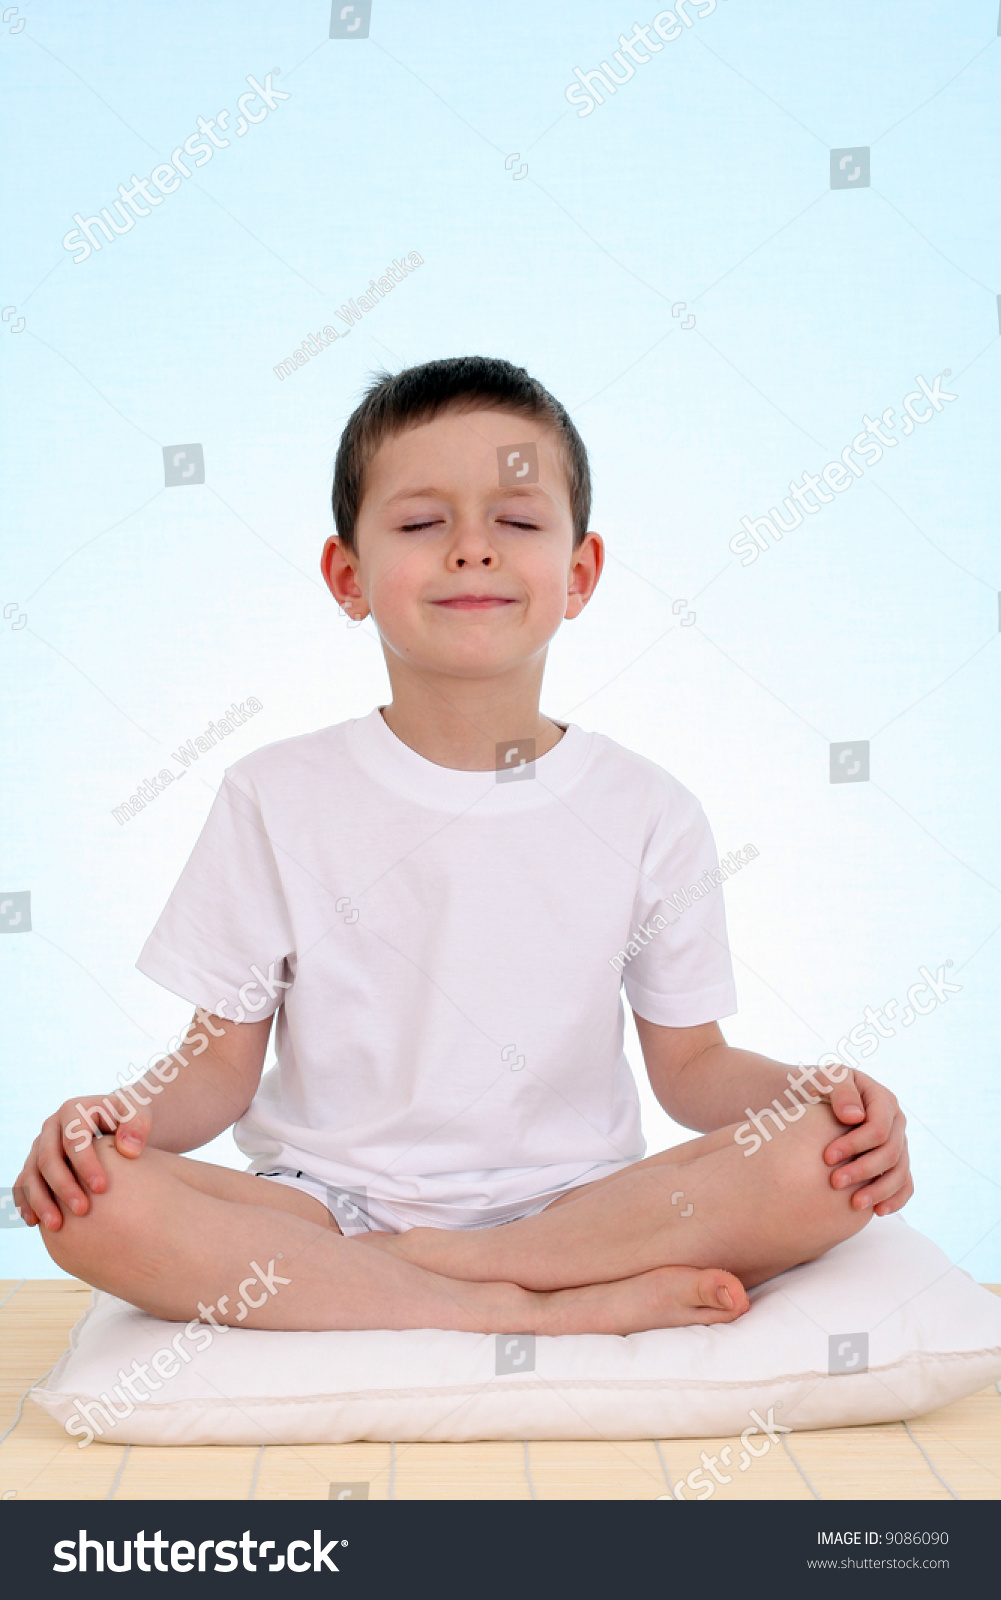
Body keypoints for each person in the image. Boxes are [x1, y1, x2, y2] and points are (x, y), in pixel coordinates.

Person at [16, 356, 911, 1336]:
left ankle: (469, 1268)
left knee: (822, 1159)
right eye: (419, 522)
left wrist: (825, 1097)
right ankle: (520, 1312)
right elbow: (214, 1068)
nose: (471, 550)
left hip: (581, 1209)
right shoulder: (274, 795)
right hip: (326, 1210)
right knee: (91, 1201)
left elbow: (692, 1069)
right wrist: (106, 1116)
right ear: (346, 575)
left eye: (517, 521)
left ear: (577, 575)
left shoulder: (648, 809)